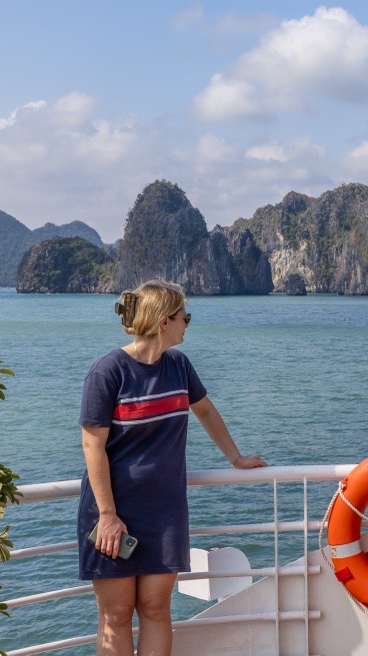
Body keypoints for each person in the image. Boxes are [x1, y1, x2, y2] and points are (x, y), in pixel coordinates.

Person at [77, 280, 266, 656]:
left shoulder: (178, 366)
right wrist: (109, 515)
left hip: (165, 512)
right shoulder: (108, 372)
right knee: (115, 615)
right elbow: (91, 445)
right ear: (165, 321)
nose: (187, 324)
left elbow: (206, 410)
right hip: (113, 512)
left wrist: (236, 458)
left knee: (156, 608)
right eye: (185, 317)